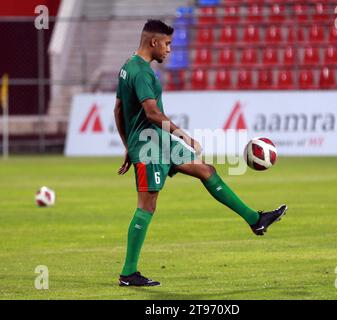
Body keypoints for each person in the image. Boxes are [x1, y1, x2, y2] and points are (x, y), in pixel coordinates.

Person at [114, 19, 287, 287]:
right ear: (153, 42)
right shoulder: (141, 73)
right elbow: (152, 113)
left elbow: (118, 110)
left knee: (207, 171)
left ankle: (255, 219)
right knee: (147, 206)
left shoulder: (128, 67)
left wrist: (127, 143)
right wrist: (181, 135)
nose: (169, 49)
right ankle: (128, 273)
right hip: (150, 146)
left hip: (157, 142)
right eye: (167, 44)